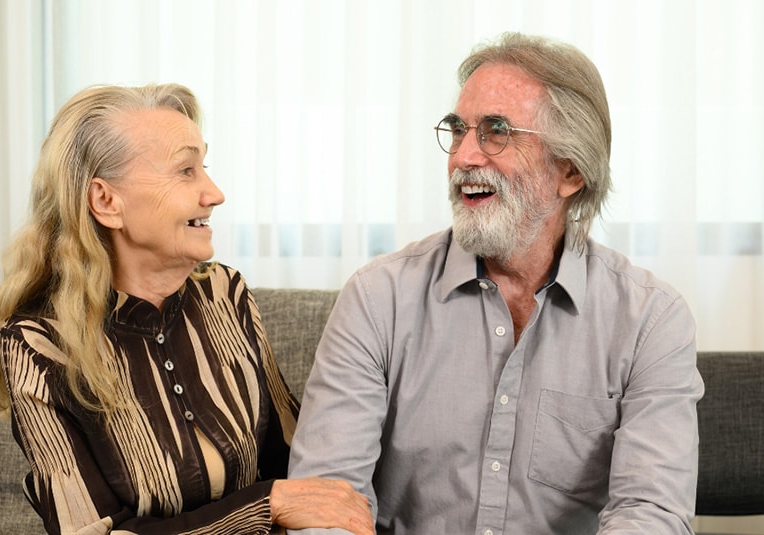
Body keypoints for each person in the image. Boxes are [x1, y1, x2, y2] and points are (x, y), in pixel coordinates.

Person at [287, 32, 704, 534]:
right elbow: (327, 499)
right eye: (458, 130)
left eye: (495, 131)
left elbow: (651, 512)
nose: (463, 157)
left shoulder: (650, 321)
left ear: (570, 171)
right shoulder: (378, 299)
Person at [0, 83, 373, 535]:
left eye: (205, 167)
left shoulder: (226, 293)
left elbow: (295, 455)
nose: (214, 193)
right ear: (106, 201)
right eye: (185, 170)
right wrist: (264, 506)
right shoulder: (37, 345)